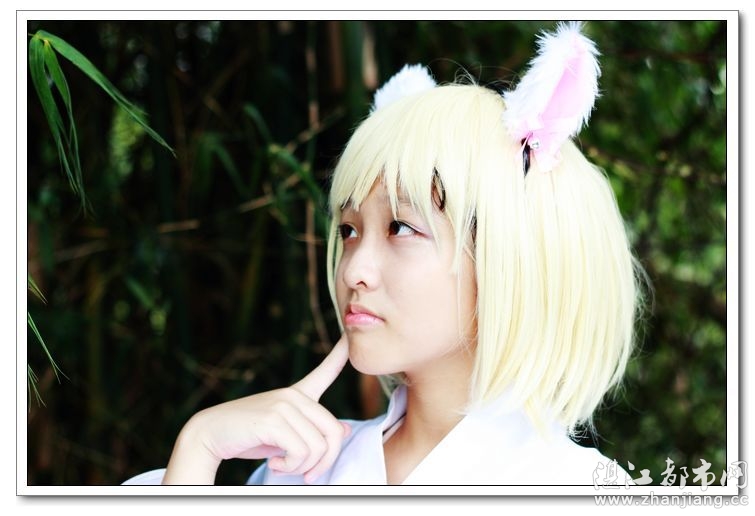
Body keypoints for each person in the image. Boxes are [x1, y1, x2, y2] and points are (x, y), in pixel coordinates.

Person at [123, 21, 645, 486]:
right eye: (349, 230)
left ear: (514, 257)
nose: (354, 269)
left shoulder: (582, 487)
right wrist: (200, 447)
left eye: (400, 227)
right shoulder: (300, 472)